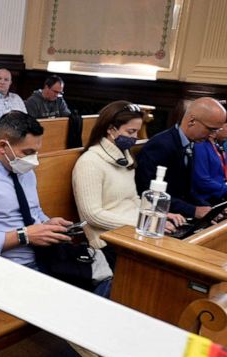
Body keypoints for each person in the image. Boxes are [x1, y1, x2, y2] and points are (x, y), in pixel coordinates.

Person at [0, 111, 74, 269]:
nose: (34, 160)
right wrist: (24, 236)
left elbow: (34, 211)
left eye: (36, 152)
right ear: (3, 146)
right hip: (8, 267)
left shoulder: (25, 171)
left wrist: (47, 223)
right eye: (28, 153)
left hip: (45, 257)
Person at [72, 101, 186, 250]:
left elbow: (133, 199)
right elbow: (93, 216)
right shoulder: (89, 162)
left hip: (134, 230)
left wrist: (156, 215)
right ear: (111, 129)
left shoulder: (125, 158)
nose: (135, 138)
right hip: (108, 240)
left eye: (137, 132)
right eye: (131, 132)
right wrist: (143, 223)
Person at [135, 96, 227, 219]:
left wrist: (211, 209)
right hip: (159, 214)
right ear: (192, 121)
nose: (213, 135)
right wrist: (193, 210)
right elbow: (147, 191)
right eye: (210, 129)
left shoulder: (191, 142)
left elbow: (185, 191)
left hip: (176, 210)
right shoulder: (161, 145)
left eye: (216, 130)